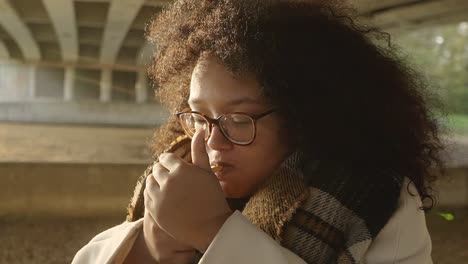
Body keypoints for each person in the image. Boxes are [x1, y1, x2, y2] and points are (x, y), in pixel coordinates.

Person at [72, 0, 446, 263]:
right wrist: (152, 249)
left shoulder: (380, 200)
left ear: (305, 120)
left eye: (239, 119)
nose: (212, 142)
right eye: (199, 116)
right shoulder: (175, 182)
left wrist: (213, 231)